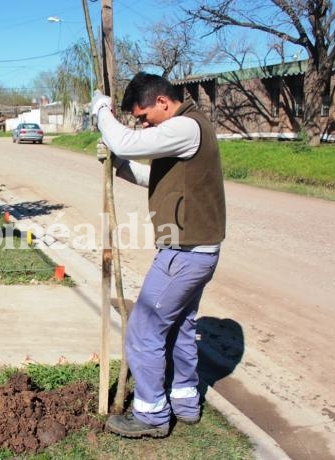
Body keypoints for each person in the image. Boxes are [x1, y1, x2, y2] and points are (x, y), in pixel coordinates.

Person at [90, 72, 226, 439]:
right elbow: (158, 180)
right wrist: (116, 164)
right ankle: (185, 400)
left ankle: (150, 415)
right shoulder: (186, 132)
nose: (143, 123)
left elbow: (128, 141)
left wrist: (102, 110)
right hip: (197, 252)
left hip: (184, 254)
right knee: (181, 327)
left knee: (144, 328)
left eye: (145, 116)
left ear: (163, 102)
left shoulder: (186, 127)